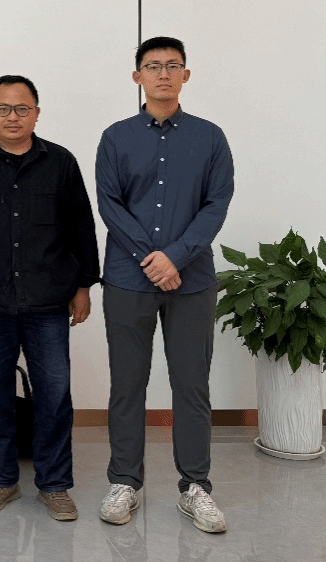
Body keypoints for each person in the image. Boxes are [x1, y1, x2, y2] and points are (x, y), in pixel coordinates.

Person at [95, 36, 234, 533]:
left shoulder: (210, 137)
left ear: (186, 76)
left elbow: (216, 203)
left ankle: (195, 486)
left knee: (192, 385)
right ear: (138, 77)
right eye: (153, 66)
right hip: (127, 280)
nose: (163, 74)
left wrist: (175, 257)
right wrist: (150, 259)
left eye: (173, 66)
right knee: (127, 383)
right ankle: (124, 482)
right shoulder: (115, 137)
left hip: (191, 281)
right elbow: (109, 204)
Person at [0, 75, 99, 522]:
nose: (13, 117)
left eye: (22, 109)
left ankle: (54, 485)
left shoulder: (61, 162)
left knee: (54, 395)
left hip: (47, 300)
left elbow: (81, 226)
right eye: (3, 109)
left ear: (37, 113)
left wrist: (84, 286)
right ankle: (0, 480)